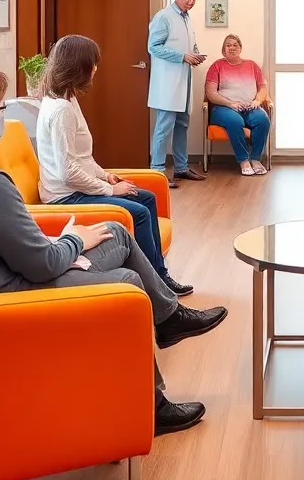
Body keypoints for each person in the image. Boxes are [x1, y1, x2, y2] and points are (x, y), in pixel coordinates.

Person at [0, 66, 228, 435]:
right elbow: (41, 266)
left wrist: (67, 243)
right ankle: (149, 407)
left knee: (115, 232)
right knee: (125, 282)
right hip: (1, 304)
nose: (1, 120)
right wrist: (72, 242)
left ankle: (168, 319)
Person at [37, 34, 192, 297]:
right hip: (65, 197)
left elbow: (81, 158)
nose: (96, 69)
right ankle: (155, 284)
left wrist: (106, 176)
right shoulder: (61, 109)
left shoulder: (68, 99)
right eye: (93, 63)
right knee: (138, 212)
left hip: (78, 187)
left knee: (147, 198)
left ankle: (160, 274)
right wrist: (108, 191)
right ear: (80, 66)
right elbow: (67, 171)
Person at [148, 0, 207, 188]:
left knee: (182, 125)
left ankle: (181, 167)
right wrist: (182, 57)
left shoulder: (187, 18)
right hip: (168, 83)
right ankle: (157, 172)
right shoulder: (164, 16)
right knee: (163, 127)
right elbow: (153, 47)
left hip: (184, 81)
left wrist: (196, 54)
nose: (190, 2)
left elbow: (189, 43)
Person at [204, 34, 271, 176]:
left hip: (249, 107)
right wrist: (230, 104)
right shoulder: (217, 66)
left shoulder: (252, 65)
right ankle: (243, 160)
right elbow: (210, 93)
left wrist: (257, 101)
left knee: (262, 119)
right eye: (228, 45)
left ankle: (255, 159)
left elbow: (263, 88)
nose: (232, 48)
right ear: (223, 50)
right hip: (223, 108)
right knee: (236, 121)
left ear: (240, 48)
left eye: (235, 45)